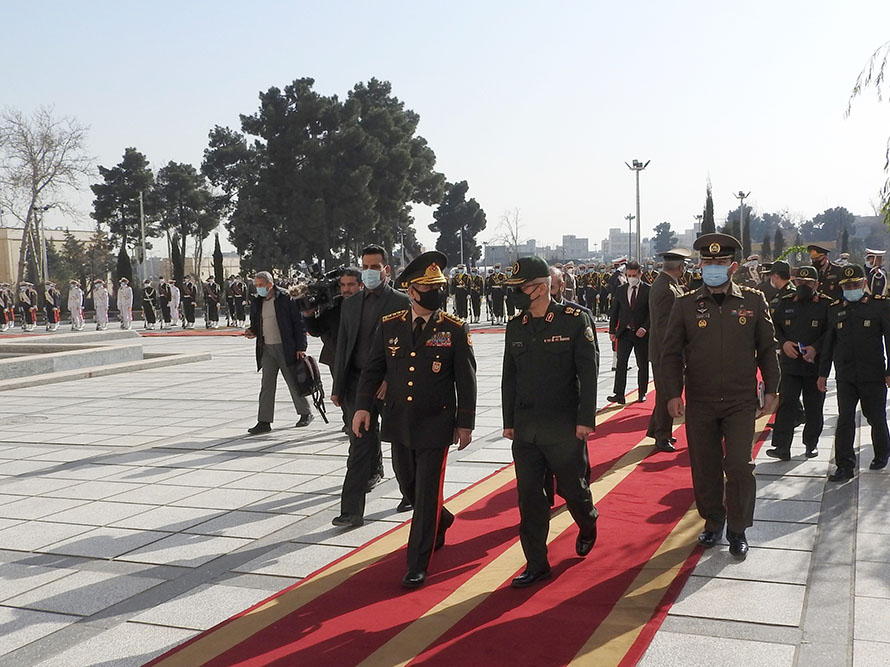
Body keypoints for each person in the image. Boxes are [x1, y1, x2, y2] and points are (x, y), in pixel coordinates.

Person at [354, 250, 476, 588]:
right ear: (412, 291)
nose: (437, 293)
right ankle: (442, 518)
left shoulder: (453, 328)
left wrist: (464, 423)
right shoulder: (391, 324)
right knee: (409, 486)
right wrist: (363, 406)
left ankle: (417, 562)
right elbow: (373, 368)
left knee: (424, 494)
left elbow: (466, 380)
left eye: (440, 286)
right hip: (398, 420)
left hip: (436, 424)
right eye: (429, 287)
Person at [662, 233, 779, 559]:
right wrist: (672, 393)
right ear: (700, 266)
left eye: (721, 262)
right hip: (700, 400)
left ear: (733, 266)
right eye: (708, 262)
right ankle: (713, 520)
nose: (714, 267)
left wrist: (772, 390)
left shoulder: (753, 301)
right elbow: (670, 354)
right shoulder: (685, 305)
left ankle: (738, 528)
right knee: (705, 465)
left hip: (741, 400)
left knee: (740, 465)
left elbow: (768, 349)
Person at [502, 255, 599, 588]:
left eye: (521, 287)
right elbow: (509, 377)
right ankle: (536, 563)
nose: (516, 293)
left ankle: (588, 522)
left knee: (573, 490)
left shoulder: (574, 320)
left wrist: (586, 420)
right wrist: (509, 421)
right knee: (529, 499)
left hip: (563, 427)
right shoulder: (517, 326)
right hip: (527, 429)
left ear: (541, 288)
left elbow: (588, 373)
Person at [332, 245, 412, 527]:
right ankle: (351, 511)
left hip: (390, 385)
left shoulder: (402, 302)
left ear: (386, 270)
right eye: (365, 266)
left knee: (401, 444)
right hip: (358, 385)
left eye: (375, 267)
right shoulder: (351, 304)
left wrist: (391, 379)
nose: (369, 272)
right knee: (359, 445)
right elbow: (343, 346)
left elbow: (408, 348)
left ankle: (410, 493)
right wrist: (338, 387)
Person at [818, 264, 890, 481]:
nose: (851, 288)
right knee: (845, 419)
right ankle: (844, 465)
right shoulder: (835, 309)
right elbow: (828, 344)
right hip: (846, 375)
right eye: (847, 285)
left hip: (873, 374)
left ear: (864, 284)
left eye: (855, 284)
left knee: (876, 417)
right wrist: (822, 374)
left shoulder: (880, 307)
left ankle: (882, 453)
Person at [765, 266, 831, 461]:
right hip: (791, 364)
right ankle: (781, 447)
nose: (803, 286)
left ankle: (811, 444)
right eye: (799, 283)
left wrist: (815, 348)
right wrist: (783, 343)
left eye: (808, 283)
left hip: (814, 365)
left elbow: (830, 332)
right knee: (787, 404)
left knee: (813, 406)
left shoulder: (825, 305)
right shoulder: (785, 303)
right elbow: (773, 326)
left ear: (816, 284)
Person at [244, 271, 314, 434]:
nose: (259, 288)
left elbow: (298, 323)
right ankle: (264, 421)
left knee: (292, 381)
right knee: (267, 385)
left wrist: (301, 347)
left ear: (270, 284)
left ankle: (305, 413)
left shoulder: (285, 298)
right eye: (256, 285)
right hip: (267, 348)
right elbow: (256, 322)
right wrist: (252, 331)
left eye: (261, 285)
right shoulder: (258, 301)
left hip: (286, 346)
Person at [646, 248, 691, 453]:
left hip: (665, 351)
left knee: (665, 391)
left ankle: (656, 429)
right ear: (680, 267)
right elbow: (665, 326)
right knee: (666, 393)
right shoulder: (665, 288)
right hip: (665, 352)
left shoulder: (668, 284)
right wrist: (673, 353)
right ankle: (662, 436)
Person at [607, 260, 650, 404]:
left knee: (642, 364)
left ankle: (642, 392)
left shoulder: (648, 290)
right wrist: (612, 330)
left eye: (634, 275)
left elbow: (652, 313)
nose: (631, 277)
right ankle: (619, 394)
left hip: (641, 333)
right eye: (629, 275)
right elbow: (615, 311)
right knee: (621, 364)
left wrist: (645, 327)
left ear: (640, 274)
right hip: (625, 332)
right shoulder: (621, 289)